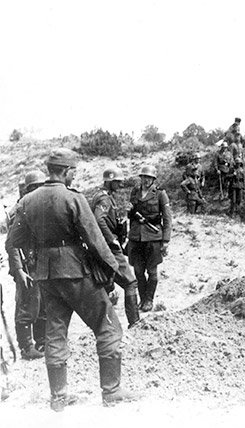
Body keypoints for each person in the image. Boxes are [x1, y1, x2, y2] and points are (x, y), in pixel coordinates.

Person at [6, 149, 138, 410]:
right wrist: (116, 272)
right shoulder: (73, 198)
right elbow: (96, 240)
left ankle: (59, 398)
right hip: (75, 272)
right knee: (107, 326)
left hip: (46, 276)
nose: (74, 176)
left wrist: (41, 249)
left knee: (54, 333)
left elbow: (13, 241)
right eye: (73, 172)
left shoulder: (27, 201)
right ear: (65, 171)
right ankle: (111, 391)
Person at [91, 167, 141, 329]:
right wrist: (112, 239)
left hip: (102, 246)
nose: (120, 185)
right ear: (109, 181)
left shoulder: (102, 196)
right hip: (109, 248)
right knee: (130, 282)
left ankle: (106, 325)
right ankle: (135, 323)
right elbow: (99, 220)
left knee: (106, 285)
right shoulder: (104, 199)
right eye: (117, 182)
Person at [5, 170, 47, 360]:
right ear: (30, 189)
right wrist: (19, 270)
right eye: (36, 187)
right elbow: (11, 243)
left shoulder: (39, 206)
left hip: (41, 263)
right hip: (26, 265)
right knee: (27, 304)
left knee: (43, 304)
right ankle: (26, 347)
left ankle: (42, 341)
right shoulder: (20, 209)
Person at [128, 165, 172, 312]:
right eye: (144, 177)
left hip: (153, 236)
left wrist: (165, 240)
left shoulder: (160, 194)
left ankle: (149, 300)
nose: (146, 180)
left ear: (153, 179)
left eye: (149, 178)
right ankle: (142, 298)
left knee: (152, 271)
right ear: (140, 178)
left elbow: (167, 218)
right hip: (136, 236)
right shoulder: (135, 192)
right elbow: (131, 214)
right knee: (138, 271)